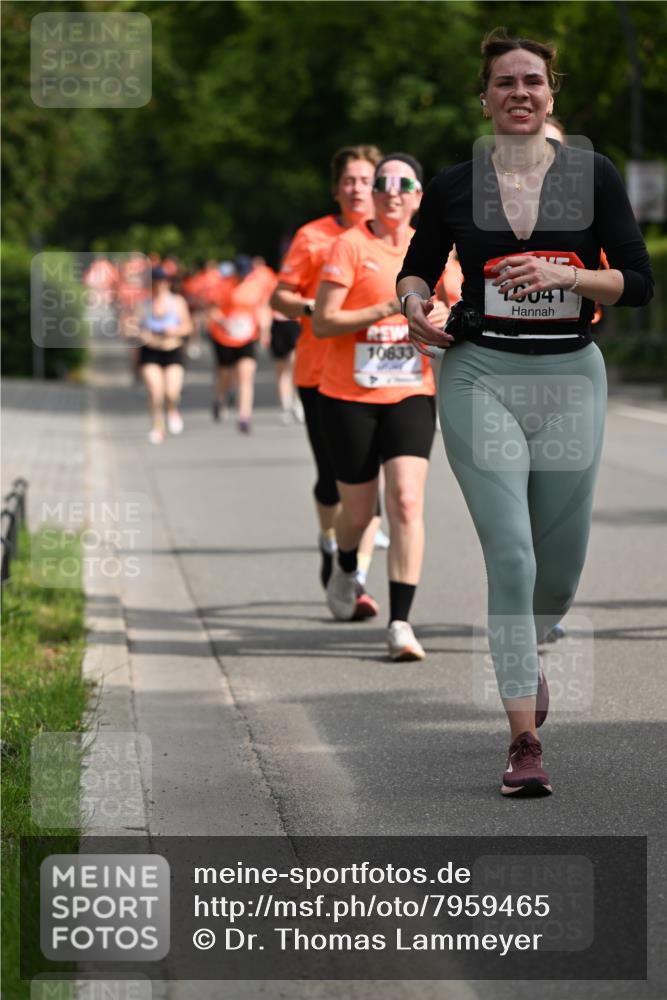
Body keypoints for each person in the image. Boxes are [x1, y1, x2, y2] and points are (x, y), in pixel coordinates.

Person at [397, 28, 653, 793]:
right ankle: (522, 742)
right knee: (510, 554)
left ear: (551, 94)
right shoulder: (451, 185)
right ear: (484, 98)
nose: (518, 93)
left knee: (558, 570)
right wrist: (414, 304)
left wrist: (564, 277)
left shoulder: (591, 175)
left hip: (571, 377)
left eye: (531, 81)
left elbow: (636, 282)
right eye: (504, 83)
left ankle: (533, 640)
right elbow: (415, 272)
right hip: (480, 374)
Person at [313, 153, 448, 660]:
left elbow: (458, 303)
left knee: (407, 502)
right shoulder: (349, 246)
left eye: (404, 183)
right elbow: (323, 322)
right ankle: (346, 564)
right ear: (373, 194)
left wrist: (446, 318)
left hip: (411, 392)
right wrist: (389, 309)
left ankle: (400, 623)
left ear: (418, 196)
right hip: (347, 396)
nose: (393, 191)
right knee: (359, 510)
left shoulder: (435, 247)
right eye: (383, 183)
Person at [270, 146, 384, 619]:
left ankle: (354, 580)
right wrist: (315, 310)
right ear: (337, 189)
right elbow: (280, 297)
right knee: (332, 480)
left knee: (370, 482)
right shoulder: (313, 237)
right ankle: (329, 540)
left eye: (366, 179)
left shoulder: (395, 236)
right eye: (350, 181)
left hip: (381, 376)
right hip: (321, 373)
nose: (358, 188)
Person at [207, 255, 275, 433]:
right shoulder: (223, 285)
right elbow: (212, 309)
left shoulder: (255, 286)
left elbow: (263, 308)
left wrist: (265, 331)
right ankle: (219, 399)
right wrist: (224, 323)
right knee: (225, 374)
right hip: (224, 336)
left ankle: (244, 416)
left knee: (246, 375)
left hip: (247, 336)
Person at [131, 266, 194, 444]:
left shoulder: (178, 302)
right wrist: (139, 333)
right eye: (156, 282)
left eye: (163, 281)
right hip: (150, 351)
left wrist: (175, 330)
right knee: (155, 391)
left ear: (167, 282)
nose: (160, 285)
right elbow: (131, 327)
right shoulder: (143, 304)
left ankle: (173, 409)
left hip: (173, 350)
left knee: (171, 392)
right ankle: (157, 428)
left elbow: (188, 327)